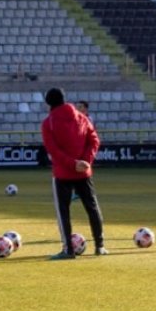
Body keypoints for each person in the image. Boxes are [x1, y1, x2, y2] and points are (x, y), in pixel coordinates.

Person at [41, 88, 105, 259]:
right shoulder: (82, 118)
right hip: (84, 173)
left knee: (63, 212)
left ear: (49, 103)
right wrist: (85, 161)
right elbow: (94, 141)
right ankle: (100, 246)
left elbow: (53, 150)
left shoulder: (48, 123)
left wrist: (72, 164)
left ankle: (68, 250)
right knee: (92, 207)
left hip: (62, 173)